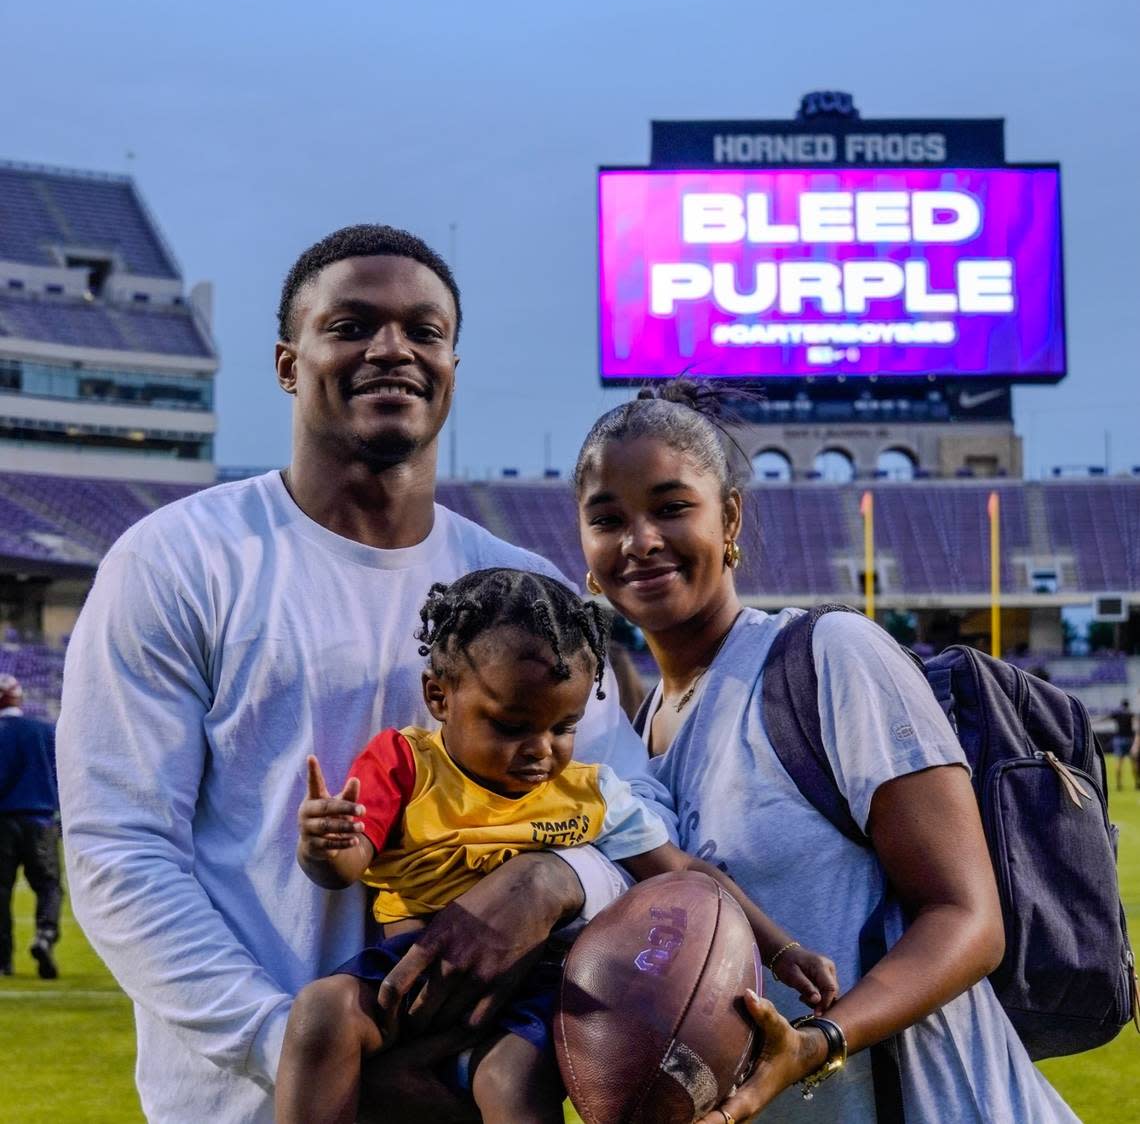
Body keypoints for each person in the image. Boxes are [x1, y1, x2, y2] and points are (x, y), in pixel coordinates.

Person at [56, 225, 673, 1124]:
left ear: (452, 365)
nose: (393, 349)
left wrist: (559, 879)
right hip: (247, 1102)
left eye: (424, 331)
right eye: (351, 325)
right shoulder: (178, 560)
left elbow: (635, 820)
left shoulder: (528, 597)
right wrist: (299, 1049)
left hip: (470, 1094)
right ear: (285, 363)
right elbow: (120, 853)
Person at [572, 381, 1079, 1122]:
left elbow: (969, 923)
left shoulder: (827, 656)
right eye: (607, 519)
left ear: (731, 516)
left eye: (672, 507)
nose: (640, 539)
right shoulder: (635, 735)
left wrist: (818, 1042)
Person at [276, 568, 836, 1124]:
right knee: (320, 1012)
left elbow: (684, 873)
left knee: (509, 1080)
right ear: (439, 696)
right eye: (511, 725)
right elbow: (346, 866)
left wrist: (783, 951)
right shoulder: (406, 762)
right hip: (412, 971)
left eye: (563, 727)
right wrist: (325, 846)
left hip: (540, 986)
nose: (539, 750)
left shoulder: (591, 795)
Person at [0, 673, 61, 979]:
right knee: (48, 885)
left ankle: (3, 961)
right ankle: (44, 937)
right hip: (40, 820)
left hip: (2, 824)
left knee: (1, 890)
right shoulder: (45, 731)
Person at [1110, 698, 1138, 792]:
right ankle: (1137, 783)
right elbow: (1135, 725)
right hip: (1129, 739)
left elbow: (1109, 716)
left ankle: (1118, 784)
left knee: (1118, 762)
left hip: (1119, 738)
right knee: (1134, 762)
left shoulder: (1117, 714)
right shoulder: (1130, 714)